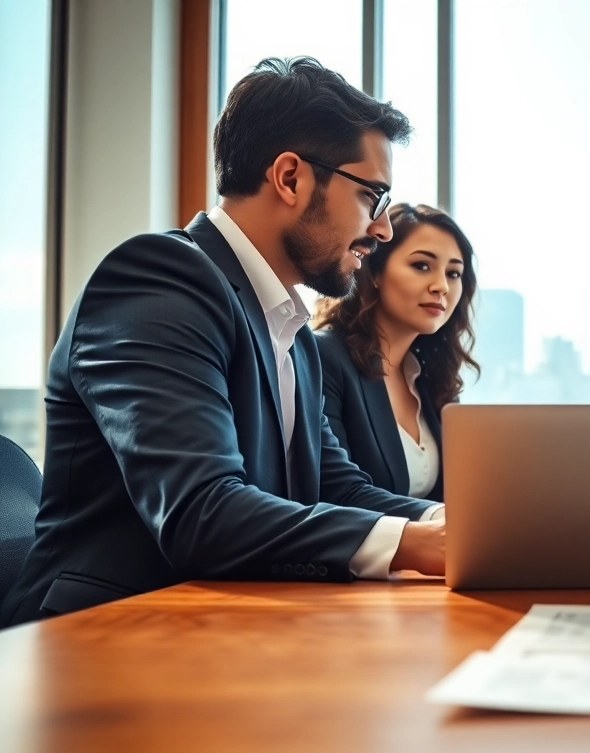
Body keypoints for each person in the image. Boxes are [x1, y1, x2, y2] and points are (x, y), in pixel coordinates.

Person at [1, 57, 447, 627]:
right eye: (372, 197)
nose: (382, 229)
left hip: (223, 629)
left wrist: (449, 521)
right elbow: (200, 511)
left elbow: (341, 488)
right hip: (100, 639)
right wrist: (414, 542)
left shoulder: (293, 335)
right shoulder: (158, 278)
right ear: (290, 178)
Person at [311, 203, 479, 502]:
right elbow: (337, 493)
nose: (441, 286)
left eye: (454, 273)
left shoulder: (431, 378)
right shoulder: (324, 357)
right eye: (421, 266)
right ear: (375, 272)